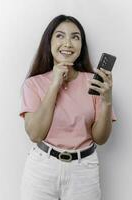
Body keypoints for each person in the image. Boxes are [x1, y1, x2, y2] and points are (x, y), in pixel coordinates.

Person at [19, 14, 117, 200]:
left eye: (75, 37)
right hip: (42, 168)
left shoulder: (92, 82)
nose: (68, 43)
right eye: (60, 36)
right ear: (49, 42)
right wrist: (54, 85)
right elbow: (35, 134)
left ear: (81, 46)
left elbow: (100, 138)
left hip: (83, 170)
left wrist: (107, 101)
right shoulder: (33, 84)